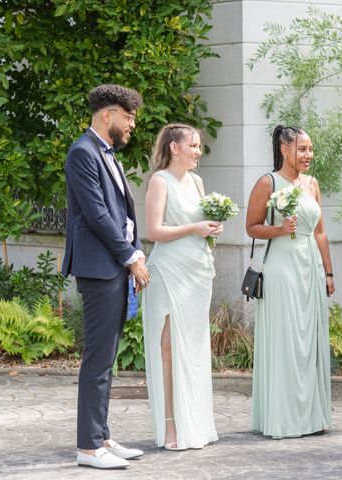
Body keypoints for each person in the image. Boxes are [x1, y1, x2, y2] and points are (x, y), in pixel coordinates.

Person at [62, 84, 148, 469]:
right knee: (97, 359)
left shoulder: (105, 152)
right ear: (107, 115)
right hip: (100, 269)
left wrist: (136, 249)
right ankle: (88, 448)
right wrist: (130, 257)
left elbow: (123, 213)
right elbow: (98, 216)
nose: (131, 125)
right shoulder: (82, 152)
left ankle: (102, 437)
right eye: (128, 117)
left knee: (106, 359)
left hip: (112, 265)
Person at [247, 125, 334, 438]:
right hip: (281, 267)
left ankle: (312, 416)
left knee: (310, 340)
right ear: (284, 149)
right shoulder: (267, 182)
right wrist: (280, 229)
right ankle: (283, 417)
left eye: (310, 149)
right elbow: (252, 227)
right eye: (302, 149)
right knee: (286, 339)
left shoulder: (312, 184)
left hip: (310, 265)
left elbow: (321, 231)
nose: (308, 155)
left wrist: (328, 271)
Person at [142, 124, 222, 450]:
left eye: (199, 146)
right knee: (168, 348)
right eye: (193, 145)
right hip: (169, 271)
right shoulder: (160, 181)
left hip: (197, 273)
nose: (198, 152)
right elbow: (153, 231)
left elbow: (202, 225)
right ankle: (171, 427)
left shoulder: (198, 182)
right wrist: (195, 227)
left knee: (193, 348)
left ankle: (197, 425)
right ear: (175, 147)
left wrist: (213, 228)